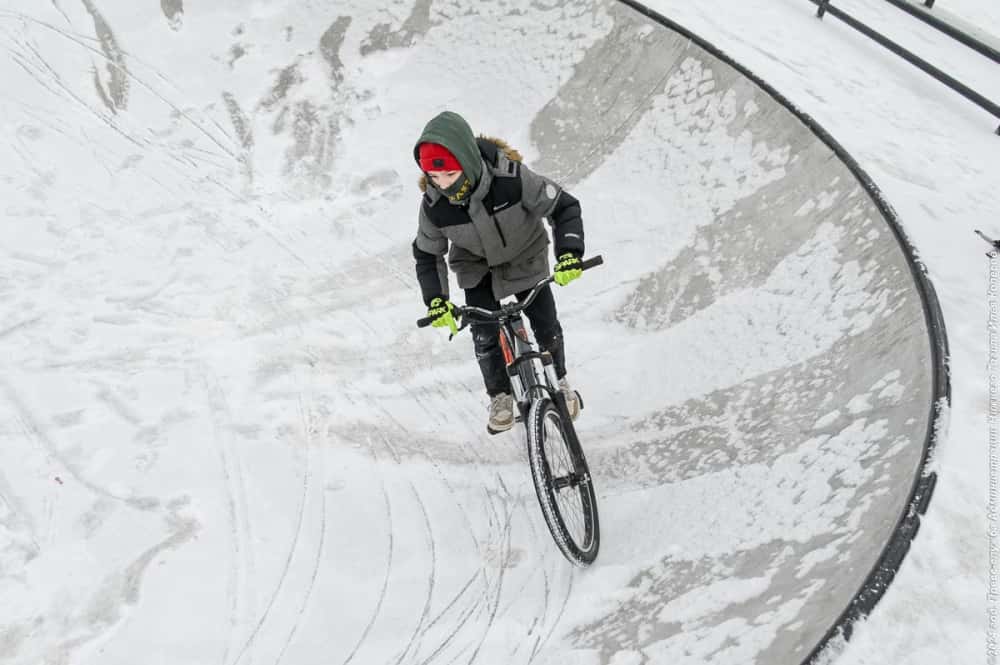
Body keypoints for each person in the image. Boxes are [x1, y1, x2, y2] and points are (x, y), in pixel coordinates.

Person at [411, 111, 587, 434]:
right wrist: (436, 300)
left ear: (465, 160)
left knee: (546, 325)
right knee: (484, 334)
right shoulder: (435, 206)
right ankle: (500, 395)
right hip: (477, 268)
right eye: (435, 178)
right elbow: (427, 252)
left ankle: (560, 380)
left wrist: (569, 254)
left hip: (525, 257)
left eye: (450, 174)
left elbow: (564, 206)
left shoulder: (511, 178)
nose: (443, 185)